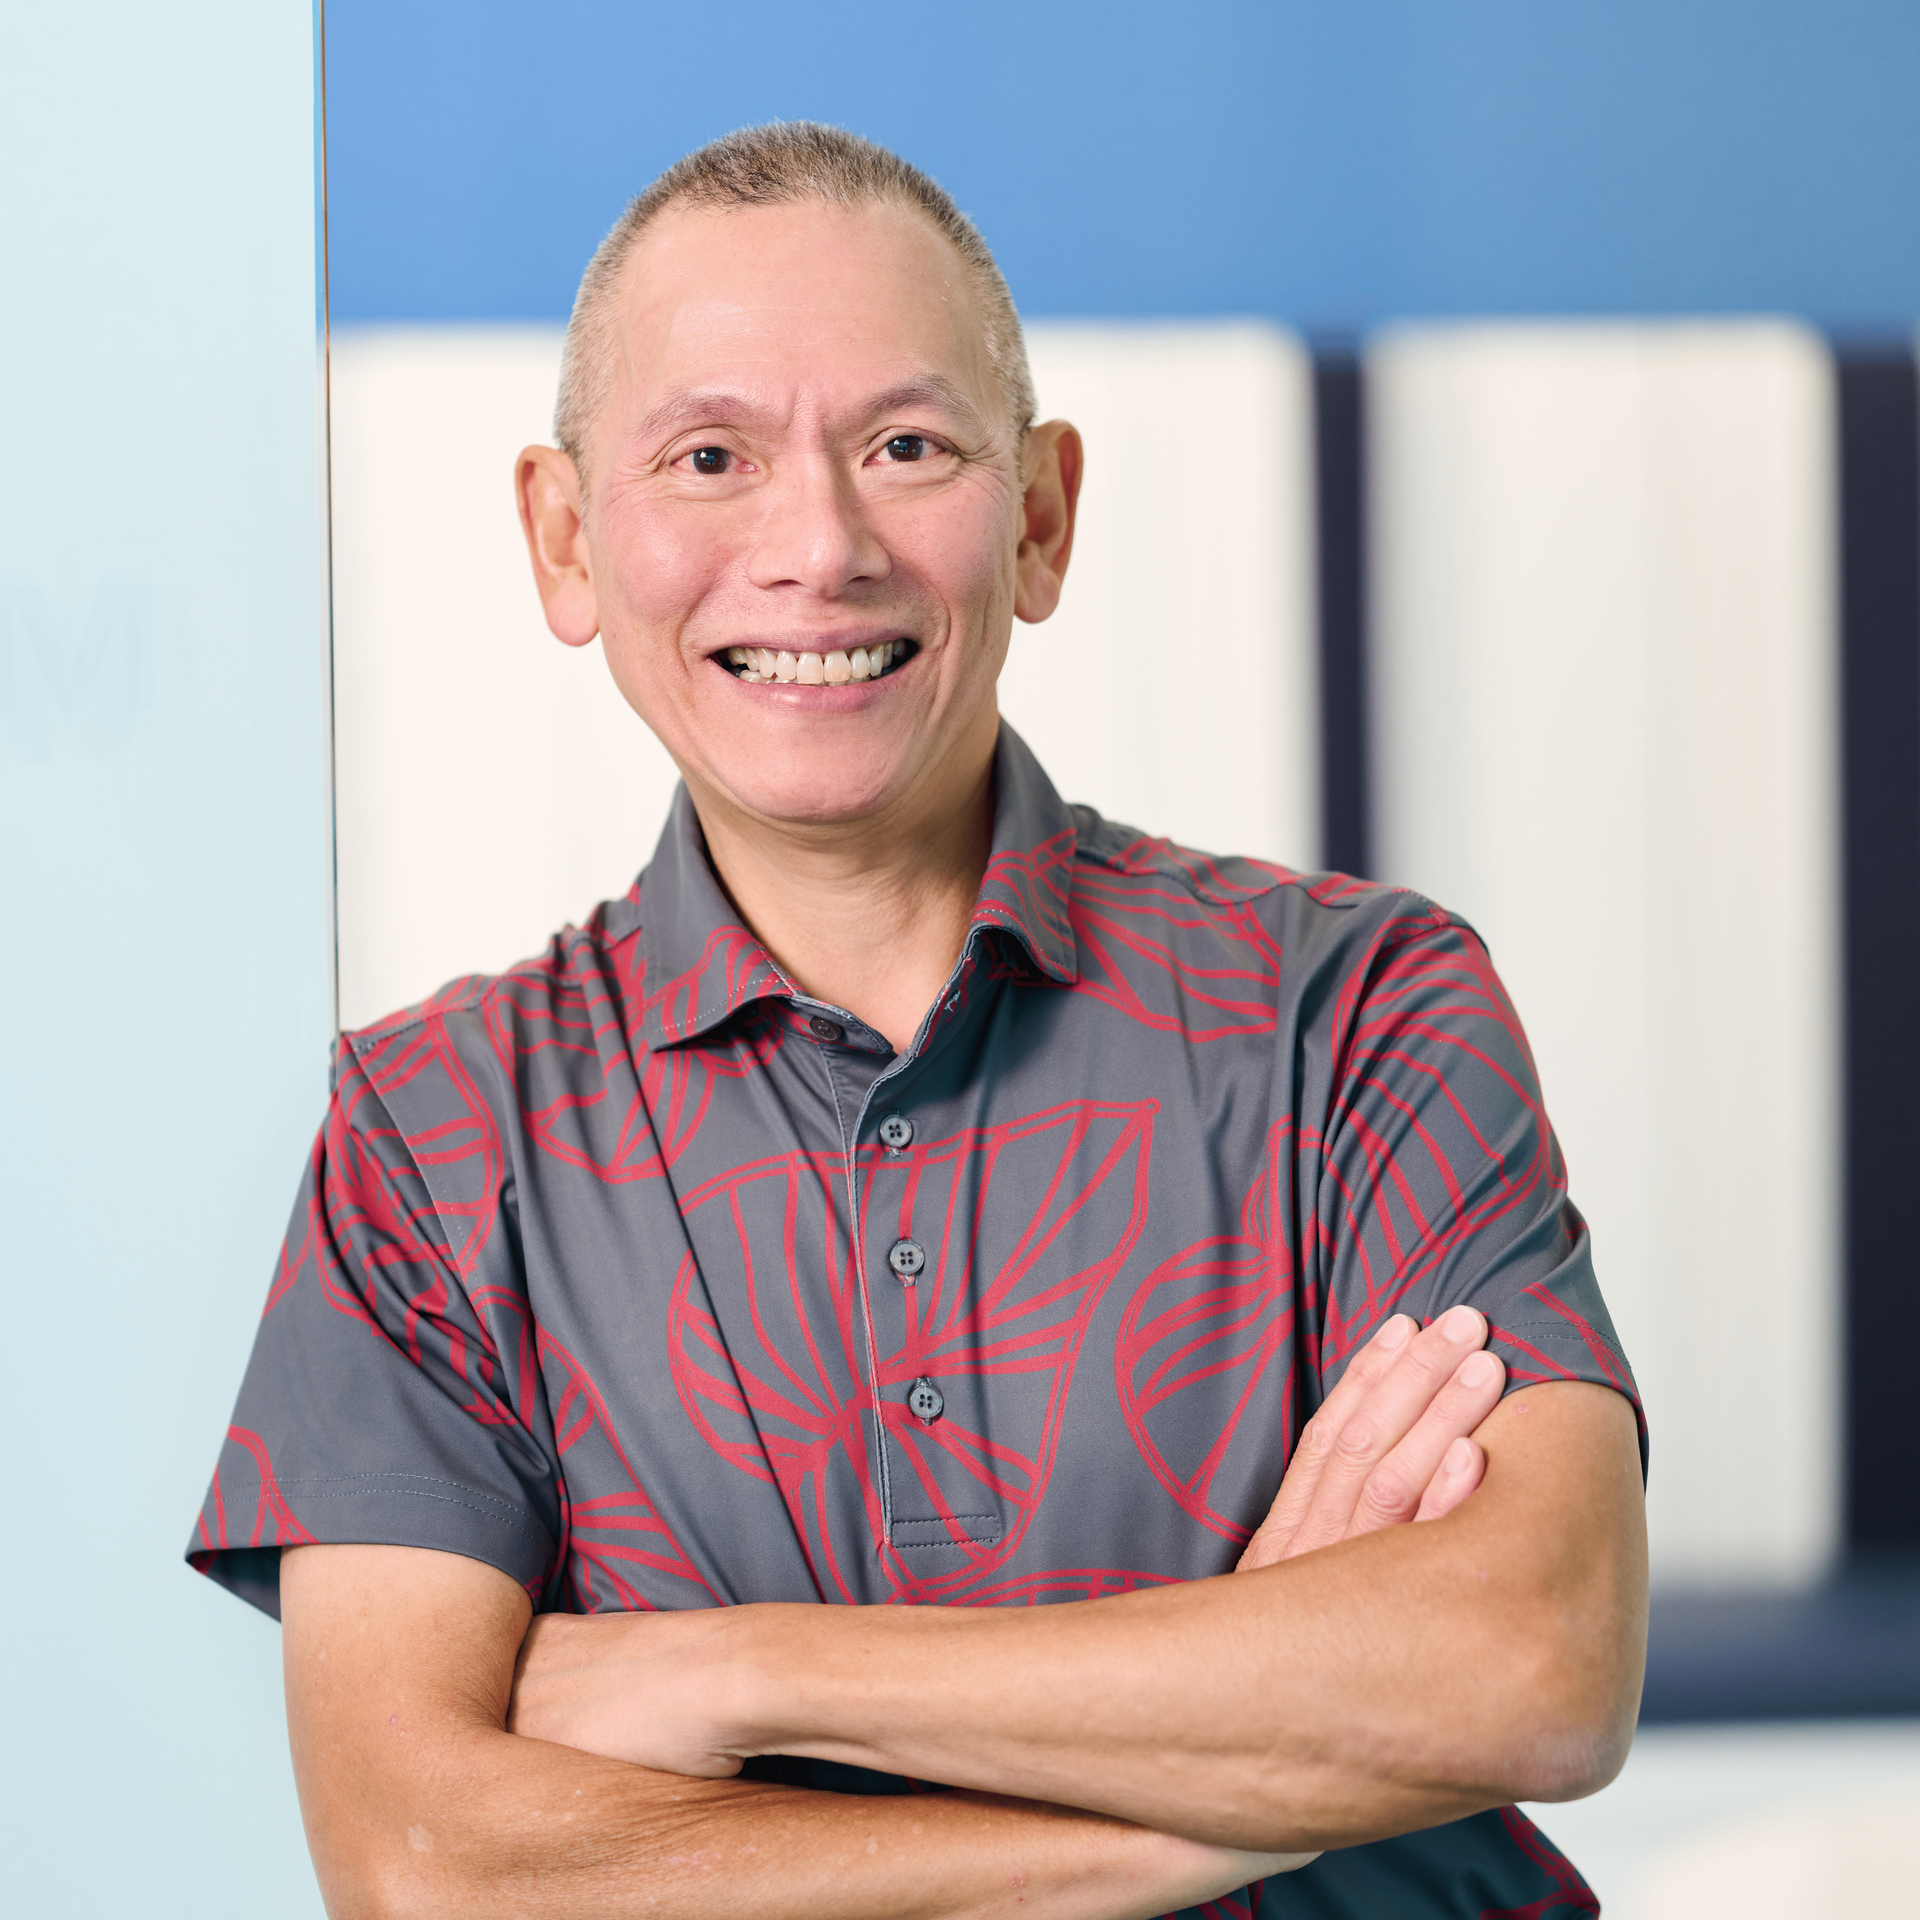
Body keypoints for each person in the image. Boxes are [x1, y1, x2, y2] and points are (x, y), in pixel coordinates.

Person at [188, 124, 1647, 1920]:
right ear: (566, 542)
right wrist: (1237, 1795)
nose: (818, 546)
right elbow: (429, 1868)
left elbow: (1535, 1664)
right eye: (709, 456)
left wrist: (746, 1673)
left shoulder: (1358, 1011)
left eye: (906, 447)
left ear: (1039, 516)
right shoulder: (430, 1138)